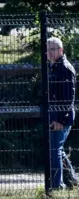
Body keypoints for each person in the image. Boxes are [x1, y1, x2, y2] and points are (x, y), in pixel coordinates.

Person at [46, 37, 77, 189]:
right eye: (48, 49)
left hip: (61, 117)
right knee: (58, 148)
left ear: (61, 50)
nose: (50, 52)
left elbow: (67, 98)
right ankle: (72, 181)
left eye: (53, 49)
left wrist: (61, 120)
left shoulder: (64, 68)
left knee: (55, 149)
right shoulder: (53, 67)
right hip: (55, 115)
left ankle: (57, 185)